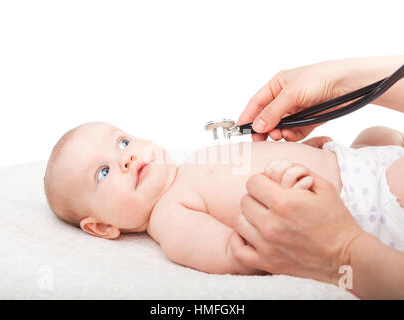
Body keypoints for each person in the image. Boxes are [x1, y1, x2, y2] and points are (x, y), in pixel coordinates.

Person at [44, 120, 402, 277]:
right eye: (103, 173)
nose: (126, 157)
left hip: (349, 162)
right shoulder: (169, 216)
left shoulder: (187, 166)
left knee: (375, 133)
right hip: (358, 203)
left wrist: (303, 152)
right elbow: (237, 253)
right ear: (103, 226)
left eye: (122, 142)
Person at [230, 55, 404, 299]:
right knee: (378, 134)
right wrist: (342, 82)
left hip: (372, 212)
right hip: (379, 165)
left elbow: (233, 253)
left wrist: (343, 251)